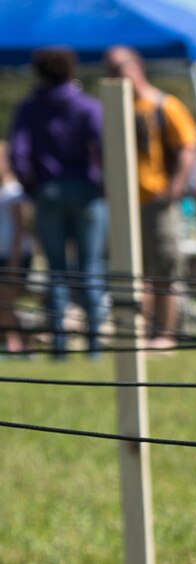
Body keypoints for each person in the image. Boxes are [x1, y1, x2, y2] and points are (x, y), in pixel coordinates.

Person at [7, 47, 104, 359]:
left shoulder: (29, 109)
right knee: (90, 268)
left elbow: (18, 154)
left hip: (48, 194)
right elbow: (105, 147)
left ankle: (60, 348)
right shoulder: (88, 106)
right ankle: (94, 346)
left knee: (56, 271)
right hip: (87, 194)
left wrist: (32, 186)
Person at [101, 46, 196, 351]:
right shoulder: (114, 108)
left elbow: (187, 147)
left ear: (136, 65)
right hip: (123, 202)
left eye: (118, 68)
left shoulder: (163, 104)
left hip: (158, 200)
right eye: (109, 69)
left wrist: (175, 186)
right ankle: (137, 336)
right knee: (132, 272)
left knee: (165, 271)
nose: (114, 75)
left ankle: (165, 336)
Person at [0, 142, 26, 355]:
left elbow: (19, 229)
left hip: (13, 256)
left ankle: (18, 345)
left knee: (6, 302)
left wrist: (14, 262)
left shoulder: (15, 192)